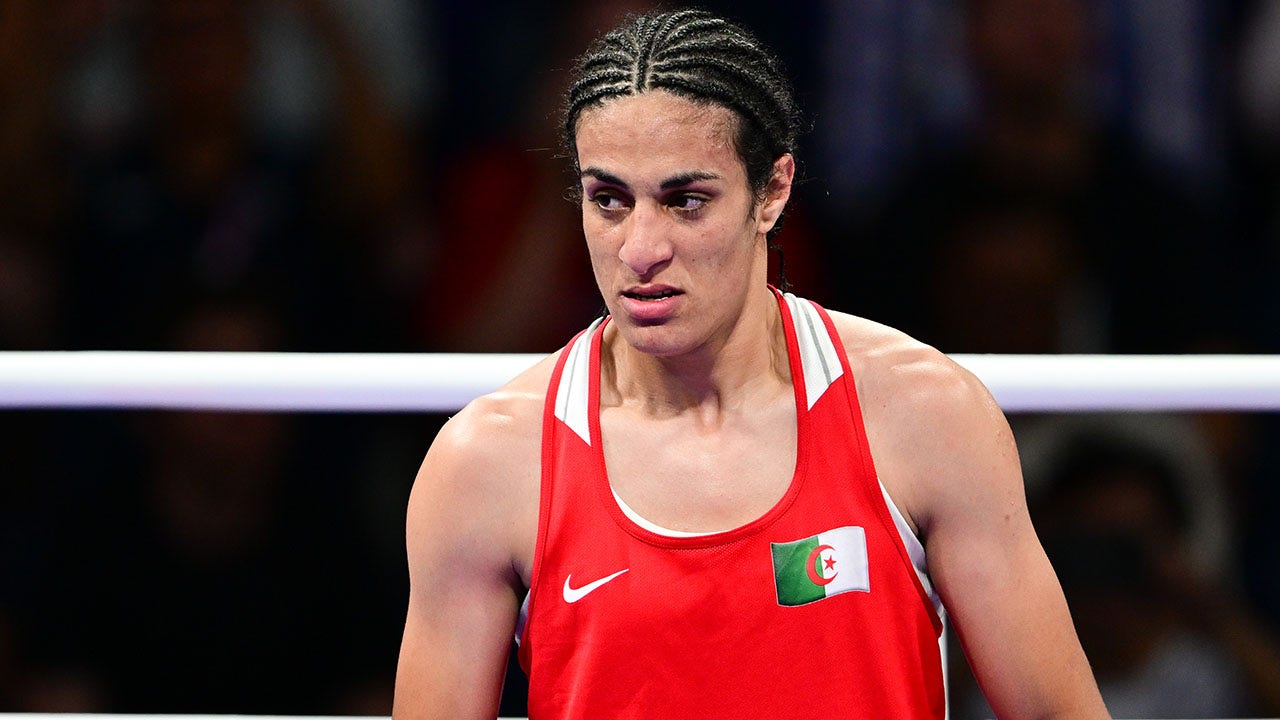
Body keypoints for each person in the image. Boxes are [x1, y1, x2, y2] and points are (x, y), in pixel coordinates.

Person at [393, 8, 1110, 719]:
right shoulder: (489, 462)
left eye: (685, 201)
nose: (640, 250)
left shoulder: (923, 414)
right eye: (609, 200)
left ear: (772, 191)